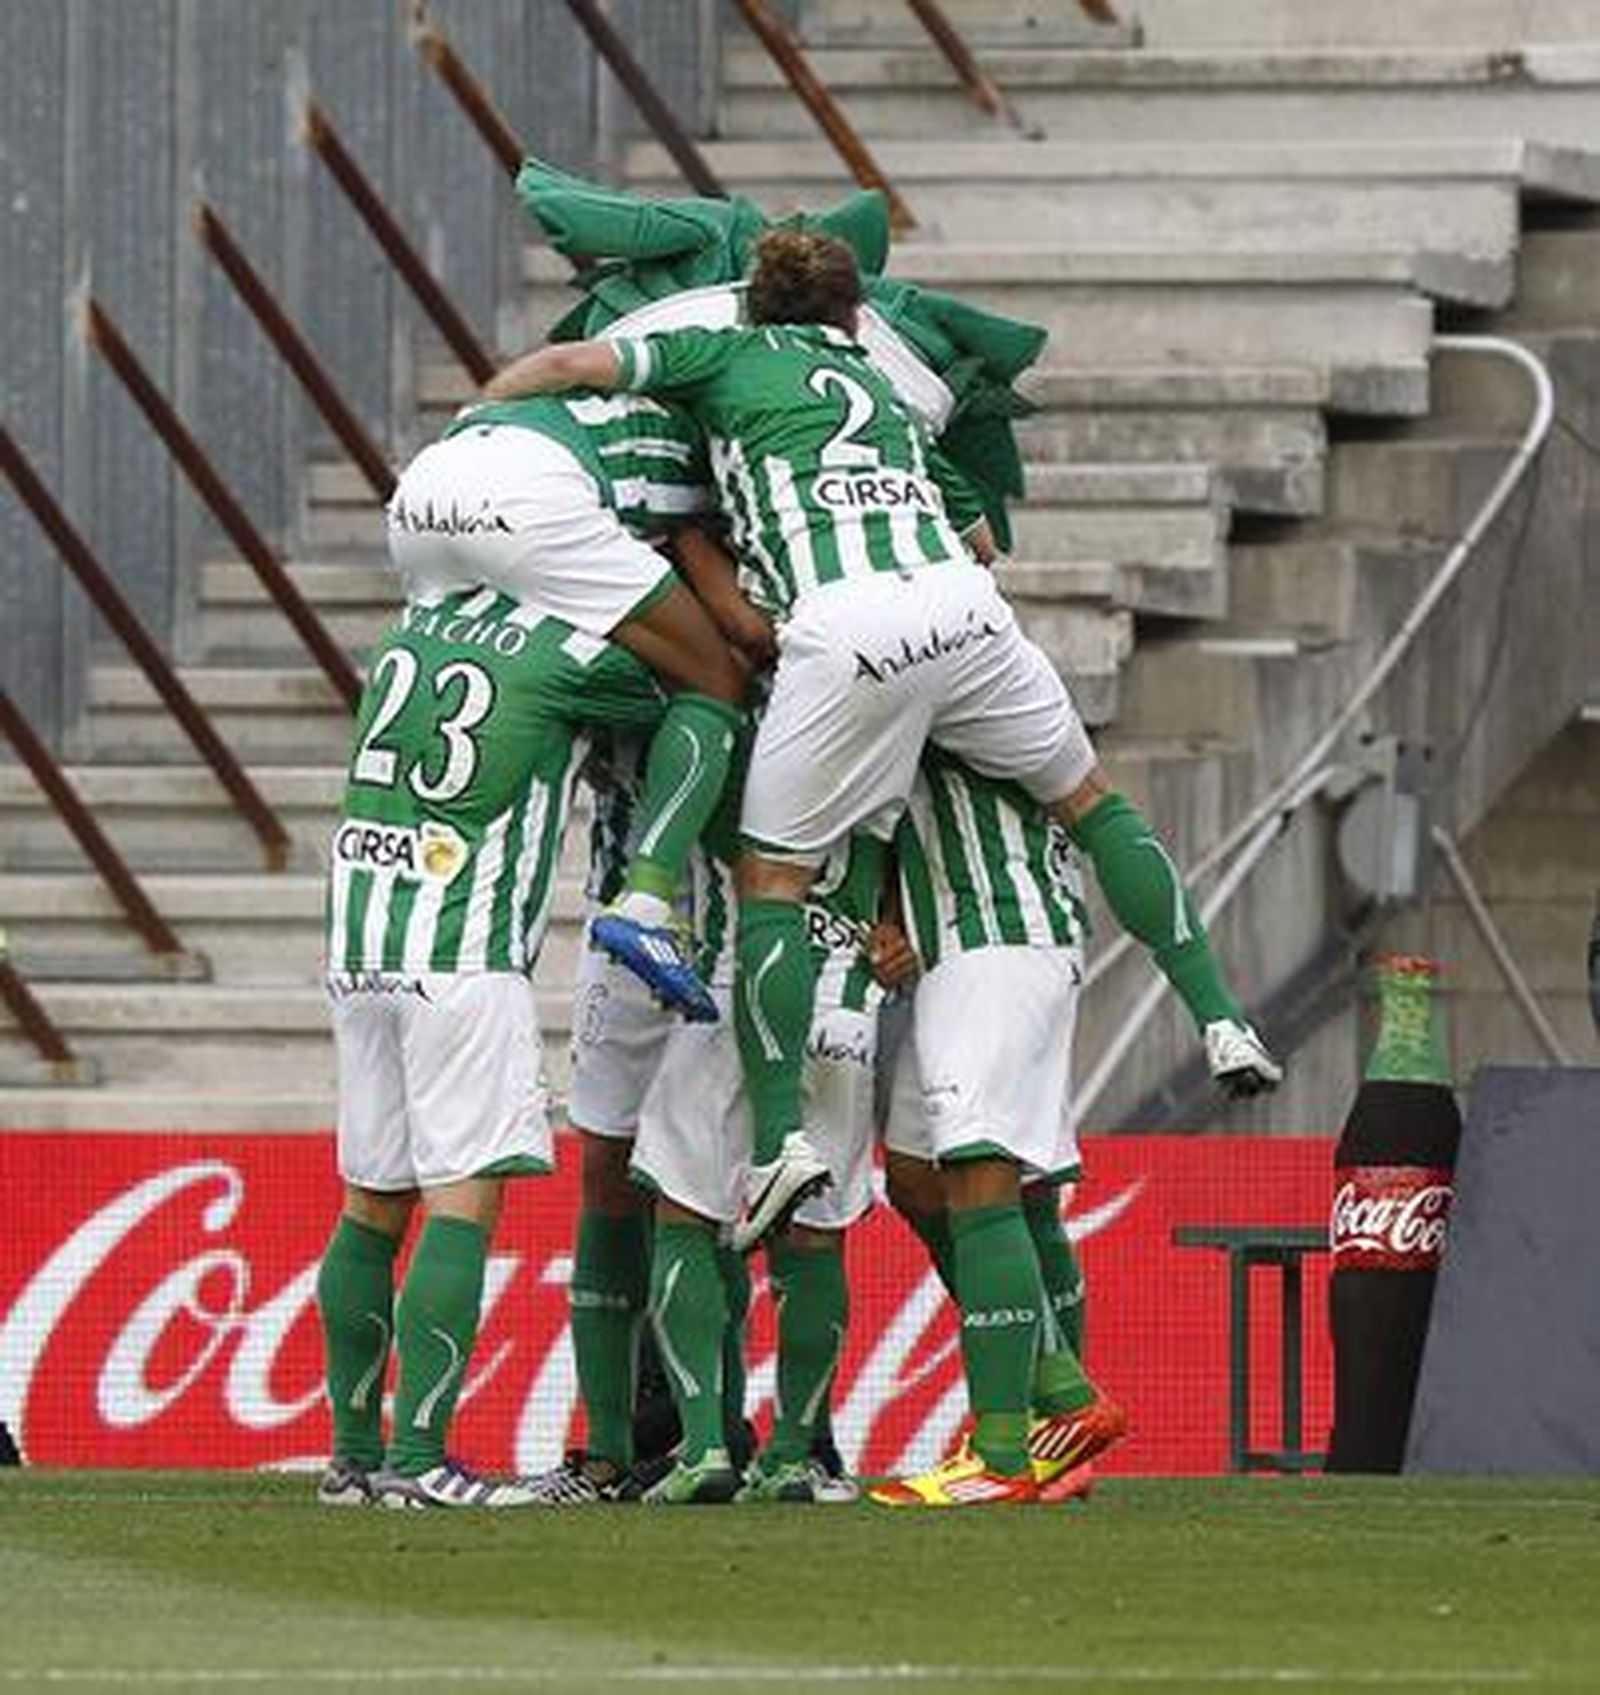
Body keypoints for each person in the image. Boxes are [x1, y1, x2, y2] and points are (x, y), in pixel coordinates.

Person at [480, 227, 1134, 1249]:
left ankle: (681, 1406)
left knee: (645, 1188)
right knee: (931, 1191)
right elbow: (978, 542)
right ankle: (997, 1389)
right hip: (861, 941)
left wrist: (483, 424)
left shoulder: (715, 374)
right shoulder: (891, 412)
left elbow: (571, 370)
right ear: (853, 318)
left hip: (730, 942)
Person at [314, 584, 723, 1508]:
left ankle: (350, 1458)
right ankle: (419, 1458)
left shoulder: (411, 624)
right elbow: (704, 684)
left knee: (370, 1204)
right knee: (461, 1204)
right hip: (464, 949)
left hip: (359, 942)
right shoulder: (568, 649)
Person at [870, 748, 1279, 1506]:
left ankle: (1006, 1445)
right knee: (926, 1181)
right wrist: (893, 915)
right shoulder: (959, 684)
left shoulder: (944, 668)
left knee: (984, 1172)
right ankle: (1063, 1413)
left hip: (1000, 942)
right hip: (957, 951)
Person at [384, 388, 749, 1020]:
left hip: (421, 492)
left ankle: (404, 889)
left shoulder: (559, 394)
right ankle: (646, 903)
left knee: (459, 658)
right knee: (714, 678)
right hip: (529, 501)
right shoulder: (693, 431)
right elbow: (715, 602)